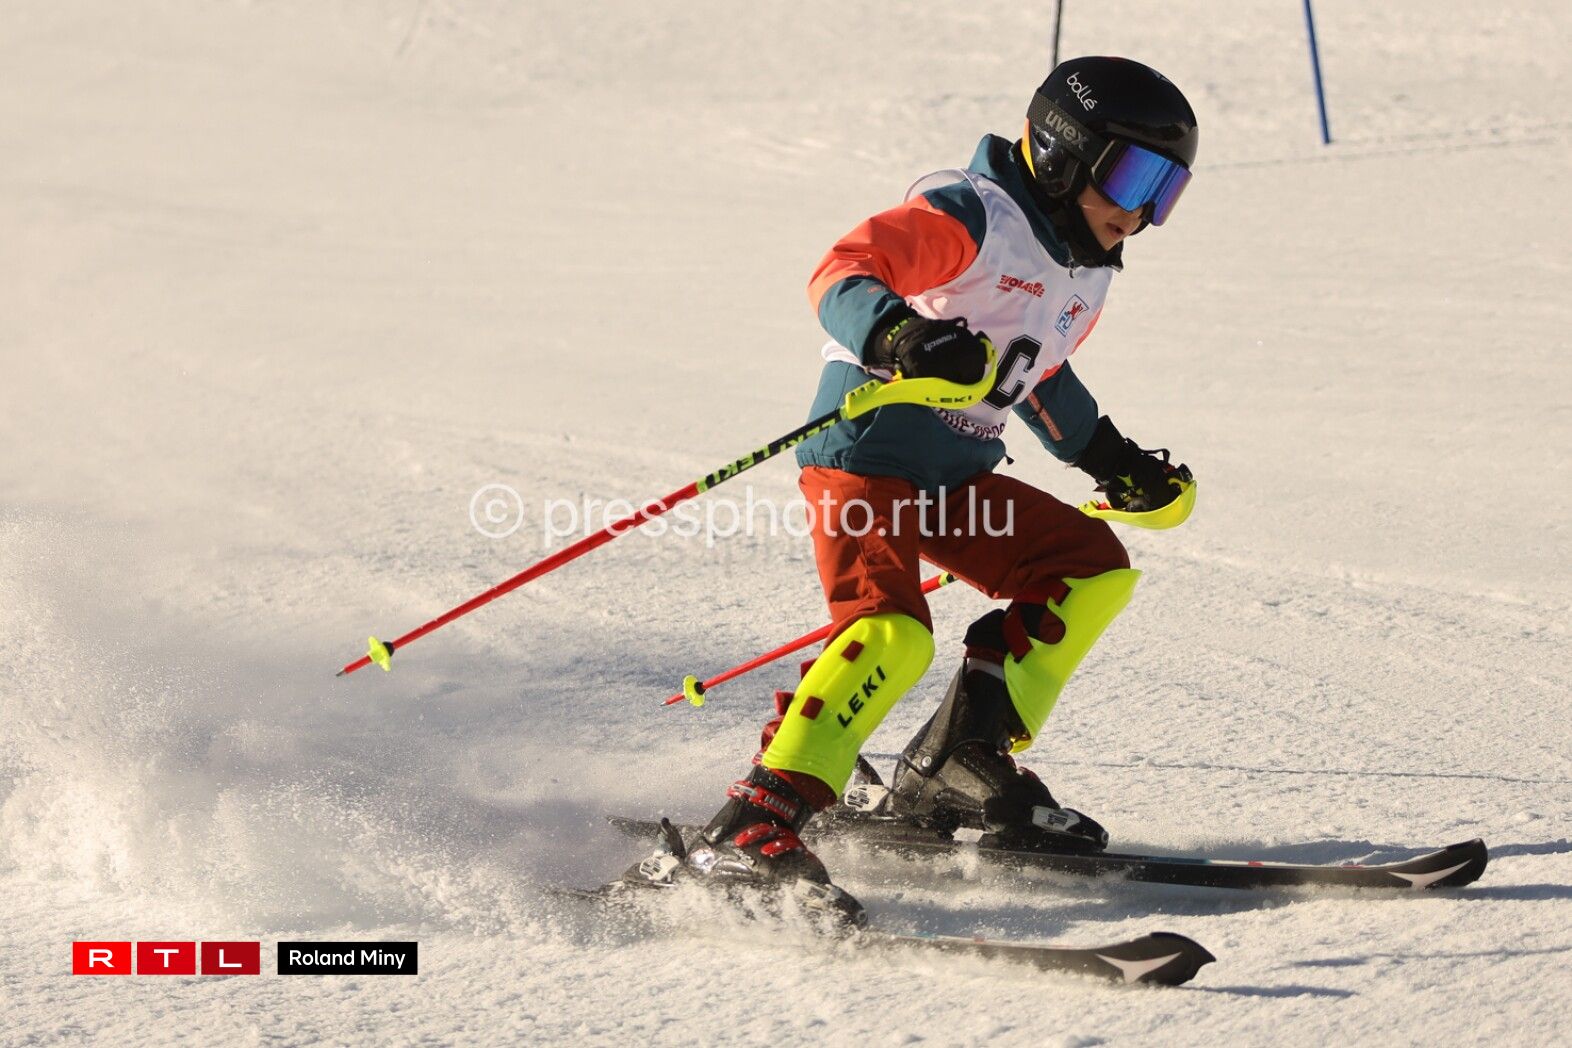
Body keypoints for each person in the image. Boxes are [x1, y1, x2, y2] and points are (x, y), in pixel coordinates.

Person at [635, 56, 1199, 924]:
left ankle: (960, 762)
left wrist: (1113, 460)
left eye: (1167, 190)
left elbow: (1038, 376)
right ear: (1062, 153)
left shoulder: (1082, 270)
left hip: (955, 474)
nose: (1142, 211)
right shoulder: (975, 215)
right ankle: (756, 820)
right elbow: (844, 270)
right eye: (1131, 176)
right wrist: (900, 335)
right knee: (891, 633)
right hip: (865, 455)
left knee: (1088, 566)